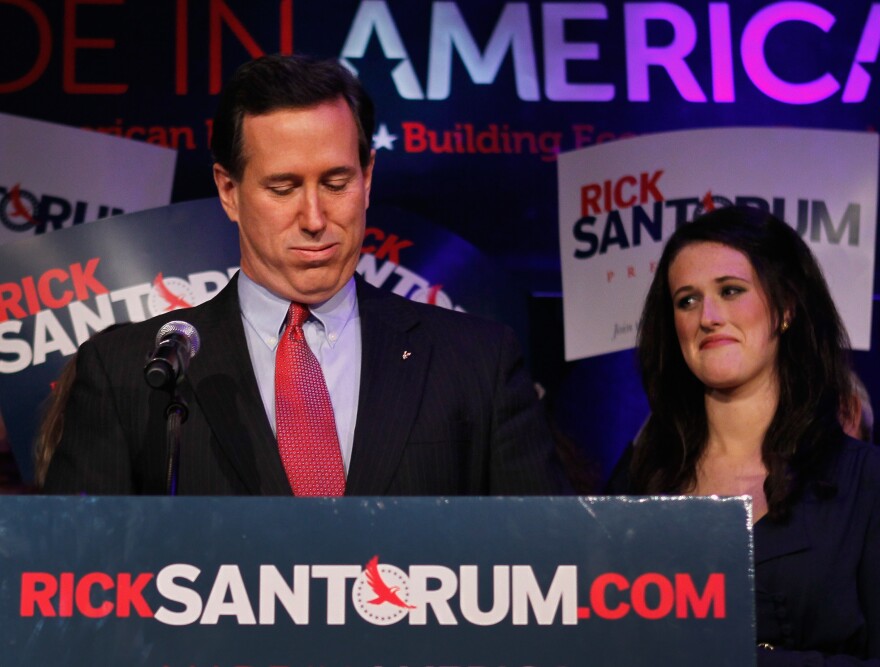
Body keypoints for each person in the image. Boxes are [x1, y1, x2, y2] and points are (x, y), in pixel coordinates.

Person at [43, 54, 568, 496]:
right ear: (229, 190)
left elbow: (549, 570)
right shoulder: (127, 376)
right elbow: (75, 584)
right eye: (283, 188)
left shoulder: (477, 363)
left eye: (337, 182)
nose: (315, 219)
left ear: (368, 178)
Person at [606, 206, 880, 665]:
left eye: (731, 291)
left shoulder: (865, 483)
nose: (708, 316)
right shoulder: (640, 477)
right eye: (686, 301)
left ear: (787, 307)